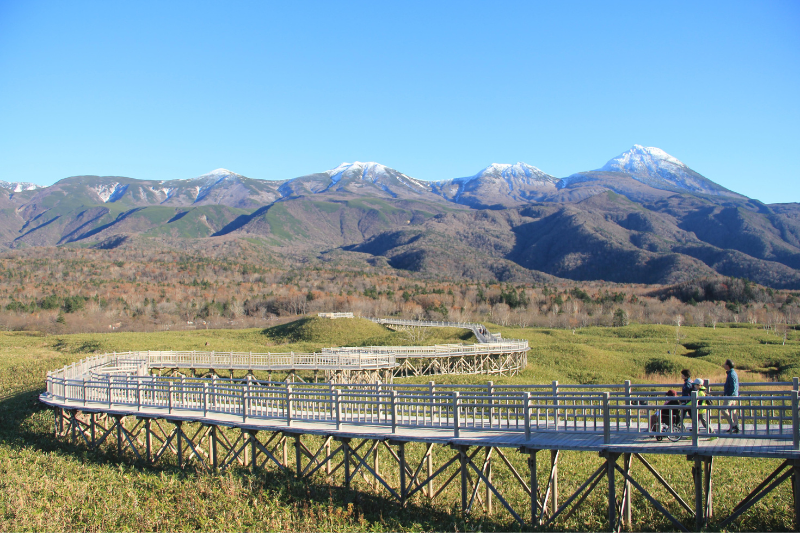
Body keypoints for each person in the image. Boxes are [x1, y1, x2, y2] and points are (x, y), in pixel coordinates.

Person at [722, 359, 740, 433]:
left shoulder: (731, 374)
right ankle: (736, 426)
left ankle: (733, 425)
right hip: (733, 395)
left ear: (728, 366)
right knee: (733, 411)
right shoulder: (732, 373)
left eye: (725, 364)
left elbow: (733, 386)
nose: (724, 365)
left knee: (724, 410)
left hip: (731, 395)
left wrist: (729, 394)